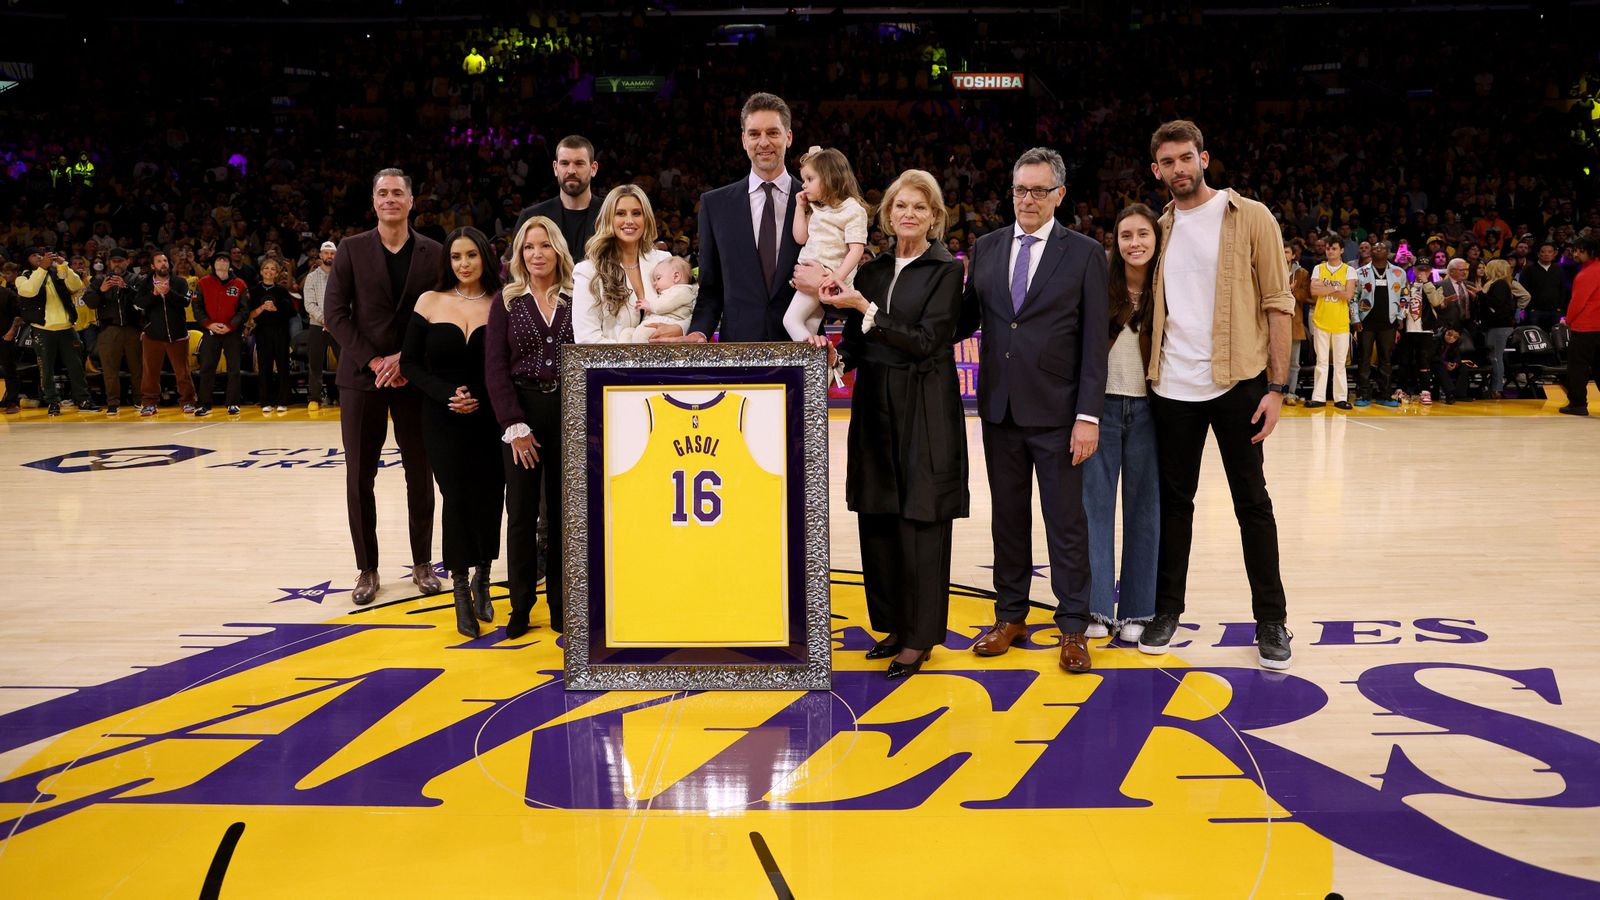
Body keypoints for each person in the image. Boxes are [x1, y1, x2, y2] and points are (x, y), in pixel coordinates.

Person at [1136, 120, 1294, 670]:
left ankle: (1272, 621)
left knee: (1253, 504)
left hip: (1239, 382)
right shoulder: (1158, 226)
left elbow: (1279, 303)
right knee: (1174, 506)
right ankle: (1165, 612)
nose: (1178, 169)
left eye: (1187, 158)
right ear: (1156, 170)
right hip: (1172, 388)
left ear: (1205, 158)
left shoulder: (1250, 216)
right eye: (1167, 162)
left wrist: (1277, 386)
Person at [810, 169, 968, 679]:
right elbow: (856, 345)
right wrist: (831, 358)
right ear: (887, 213)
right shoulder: (874, 270)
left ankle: (920, 638)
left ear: (935, 216)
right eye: (901, 205)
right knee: (878, 515)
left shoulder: (946, 270)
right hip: (875, 400)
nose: (908, 214)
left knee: (920, 518)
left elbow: (927, 340)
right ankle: (895, 625)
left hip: (923, 403)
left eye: (919, 207)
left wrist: (863, 307)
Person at [957, 147, 1108, 675]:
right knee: (1008, 520)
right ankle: (1011, 616)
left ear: (1059, 195)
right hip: (999, 410)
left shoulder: (1087, 253)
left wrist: (1089, 415)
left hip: (1061, 415)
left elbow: (1094, 343)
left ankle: (1072, 626)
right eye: (1020, 189)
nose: (1027, 199)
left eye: (1039, 191)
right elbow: (963, 319)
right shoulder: (989, 246)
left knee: (1067, 523)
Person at [323, 167, 445, 606]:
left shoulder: (435, 251)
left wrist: (407, 361)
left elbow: (442, 313)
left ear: (412, 201)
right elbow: (335, 314)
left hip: (416, 379)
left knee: (420, 474)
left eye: (398, 192)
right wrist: (374, 359)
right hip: (362, 378)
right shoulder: (352, 250)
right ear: (374, 202)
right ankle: (367, 569)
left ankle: (422, 563)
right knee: (360, 477)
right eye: (382, 193)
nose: (390, 198)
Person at [400, 226, 504, 639]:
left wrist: (477, 395)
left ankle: (484, 576)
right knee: (457, 498)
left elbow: (504, 363)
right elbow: (409, 364)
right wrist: (448, 395)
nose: (464, 264)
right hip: (442, 416)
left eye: (471, 256)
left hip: (490, 414)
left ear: (484, 259)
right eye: (456, 257)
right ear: (448, 261)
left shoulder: (502, 303)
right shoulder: (429, 301)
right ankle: (459, 587)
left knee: (490, 497)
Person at [486, 216, 576, 637]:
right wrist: (513, 423)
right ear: (519, 255)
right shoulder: (506, 300)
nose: (536, 254)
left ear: (557, 249)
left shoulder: (578, 298)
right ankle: (520, 605)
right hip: (521, 413)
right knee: (520, 514)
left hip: (569, 411)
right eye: (527, 247)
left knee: (562, 515)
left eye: (543, 245)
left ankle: (561, 605)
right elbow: (495, 367)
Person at [1083, 204, 1161, 643]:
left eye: (1143, 234)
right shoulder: (1099, 285)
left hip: (1152, 410)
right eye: (1126, 235)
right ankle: (1096, 607)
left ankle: (1138, 610)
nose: (1135, 243)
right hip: (1102, 408)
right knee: (1094, 508)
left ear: (1156, 239)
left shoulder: (1168, 287)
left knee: (1145, 511)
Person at [676, 93, 808, 344]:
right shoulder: (715, 205)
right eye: (755, 134)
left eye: (773, 132)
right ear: (743, 140)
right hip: (739, 348)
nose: (764, 142)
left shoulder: (815, 202)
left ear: (788, 137)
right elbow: (710, 288)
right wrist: (698, 332)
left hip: (803, 348)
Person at [782, 146, 868, 341]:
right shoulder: (816, 209)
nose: (804, 185)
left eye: (810, 179)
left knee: (790, 321)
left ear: (830, 177)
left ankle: (815, 361)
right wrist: (800, 208)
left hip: (827, 276)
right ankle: (817, 368)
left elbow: (856, 250)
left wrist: (835, 277)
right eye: (804, 180)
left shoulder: (854, 210)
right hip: (808, 275)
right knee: (809, 327)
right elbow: (800, 238)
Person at [571, 184, 673, 343]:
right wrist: (635, 360)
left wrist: (677, 328)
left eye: (637, 213)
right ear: (608, 219)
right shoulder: (588, 271)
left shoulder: (663, 260)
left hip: (663, 364)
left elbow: (685, 310)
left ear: (646, 218)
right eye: (620, 213)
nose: (629, 221)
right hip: (613, 367)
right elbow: (587, 339)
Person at [16, 249, 97, 415]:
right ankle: (52, 402)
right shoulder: (23, 277)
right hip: (43, 329)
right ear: (27, 260)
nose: (39, 257)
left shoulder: (56, 272)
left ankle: (83, 399)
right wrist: (42, 269)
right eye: (34, 255)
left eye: (41, 254)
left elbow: (76, 285)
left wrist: (64, 265)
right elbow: (29, 291)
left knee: (76, 366)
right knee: (46, 369)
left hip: (67, 327)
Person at [513, 135, 601, 257]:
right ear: (555, 168)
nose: (571, 170)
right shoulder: (530, 216)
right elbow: (516, 271)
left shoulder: (611, 213)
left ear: (593, 168)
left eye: (579, 163)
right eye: (564, 163)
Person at [136, 251, 197, 415]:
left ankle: (188, 401)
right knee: (150, 371)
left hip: (177, 334)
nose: (163, 264)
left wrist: (168, 292)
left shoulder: (179, 282)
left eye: (165, 261)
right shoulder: (146, 283)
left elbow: (185, 302)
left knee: (182, 371)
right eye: (159, 261)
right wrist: (154, 294)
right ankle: (149, 402)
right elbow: (139, 303)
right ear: (152, 266)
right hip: (153, 335)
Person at [83, 248, 143, 415]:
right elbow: (90, 303)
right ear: (109, 262)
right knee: (110, 369)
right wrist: (101, 291)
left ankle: (139, 400)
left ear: (127, 261)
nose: (117, 263)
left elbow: (144, 301)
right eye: (114, 261)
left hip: (133, 329)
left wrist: (126, 288)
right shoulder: (98, 280)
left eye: (120, 260)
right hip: (109, 329)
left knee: (137, 368)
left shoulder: (137, 279)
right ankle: (113, 403)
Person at [192, 254, 248, 416]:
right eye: (219, 260)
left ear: (230, 265)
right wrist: (208, 324)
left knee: (234, 369)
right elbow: (197, 307)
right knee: (207, 368)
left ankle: (233, 403)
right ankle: (204, 404)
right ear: (213, 264)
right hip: (211, 330)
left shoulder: (239, 284)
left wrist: (231, 325)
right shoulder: (203, 283)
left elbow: (244, 310)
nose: (222, 262)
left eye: (225, 260)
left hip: (232, 332)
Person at [1353, 241, 1405, 407]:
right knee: (1364, 359)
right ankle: (1363, 394)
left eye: (1382, 247)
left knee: (1386, 360)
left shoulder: (1399, 272)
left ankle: (1385, 395)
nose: (1378, 249)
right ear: (1371, 252)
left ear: (1389, 252)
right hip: (1366, 322)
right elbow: (1353, 298)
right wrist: (1355, 319)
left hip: (1388, 322)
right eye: (1375, 247)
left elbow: (1405, 296)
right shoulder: (1360, 272)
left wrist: (1401, 317)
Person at [1308, 238, 1356, 410]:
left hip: (1341, 322)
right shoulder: (1318, 268)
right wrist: (1337, 289)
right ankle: (1318, 397)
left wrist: (1326, 288)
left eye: (1334, 248)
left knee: (1340, 363)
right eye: (1328, 248)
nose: (1330, 251)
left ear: (1341, 250)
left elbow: (1348, 295)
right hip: (1321, 320)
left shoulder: (1349, 270)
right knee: (1321, 362)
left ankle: (1340, 398)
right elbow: (1314, 291)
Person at [1557, 233, 1599, 416]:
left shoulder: (1587, 273)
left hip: (1586, 326)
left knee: (1577, 366)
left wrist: (1568, 319)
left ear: (1590, 252)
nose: (1575, 254)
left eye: (1579, 251)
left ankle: (1577, 404)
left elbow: (1578, 301)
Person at [248, 258, 296, 412]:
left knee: (282, 365)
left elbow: (291, 312)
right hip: (262, 331)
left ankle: (283, 400)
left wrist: (276, 309)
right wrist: (262, 308)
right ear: (261, 271)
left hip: (280, 331)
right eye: (266, 268)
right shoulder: (254, 291)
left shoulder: (281, 291)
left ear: (276, 274)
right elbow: (249, 315)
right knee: (264, 366)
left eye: (273, 269)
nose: (269, 271)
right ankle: (265, 401)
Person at [1396, 257, 1442, 403]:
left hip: (1426, 330)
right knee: (1404, 360)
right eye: (1420, 269)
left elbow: (1436, 301)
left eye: (1426, 269)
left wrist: (1427, 283)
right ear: (1414, 270)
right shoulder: (1406, 286)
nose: (1422, 272)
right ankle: (1402, 390)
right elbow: (1400, 305)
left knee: (1424, 360)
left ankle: (1425, 391)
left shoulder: (1436, 287)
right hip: (1408, 329)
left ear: (1430, 271)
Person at [623, 256, 697, 343]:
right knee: (627, 333)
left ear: (676, 277)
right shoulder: (669, 291)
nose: (654, 284)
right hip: (653, 322)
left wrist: (649, 305)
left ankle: (643, 356)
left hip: (668, 323)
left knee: (641, 335)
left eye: (658, 278)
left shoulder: (683, 291)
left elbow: (666, 305)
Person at [302, 240, 339, 409]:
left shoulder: (343, 275)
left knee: (345, 363)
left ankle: (345, 397)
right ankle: (314, 398)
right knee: (315, 363)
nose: (329, 256)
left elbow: (348, 300)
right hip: (317, 325)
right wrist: (325, 319)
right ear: (321, 255)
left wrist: (336, 320)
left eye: (332, 253)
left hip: (339, 325)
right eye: (326, 253)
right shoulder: (311, 277)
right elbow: (309, 304)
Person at [1478, 258, 1518, 399]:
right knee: (1494, 356)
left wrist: (1480, 295)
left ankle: (1496, 389)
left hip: (1499, 326)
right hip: (1497, 326)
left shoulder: (1500, 284)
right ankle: (1494, 387)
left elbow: (1497, 304)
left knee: (1496, 357)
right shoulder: (1497, 284)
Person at [1519, 240, 1568, 332]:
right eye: (1543, 252)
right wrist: (1530, 308)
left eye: (1550, 252)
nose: (1546, 254)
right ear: (1538, 254)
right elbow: (1523, 290)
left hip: (1555, 311)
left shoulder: (1558, 269)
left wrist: (1560, 308)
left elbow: (1562, 289)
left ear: (1554, 254)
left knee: (1556, 339)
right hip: (1534, 311)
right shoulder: (1528, 269)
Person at [1285, 240, 1312, 405]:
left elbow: (1308, 297)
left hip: (1295, 321)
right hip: (1273, 321)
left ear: (1293, 255)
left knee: (1293, 362)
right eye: (1281, 251)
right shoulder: (1272, 270)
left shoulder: (1302, 273)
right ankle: (1274, 391)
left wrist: (1293, 291)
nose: (1284, 255)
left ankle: (1291, 393)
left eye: (1287, 252)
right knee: (1272, 361)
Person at [1, 271, 20, 414]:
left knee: (9, 370)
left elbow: (19, 315)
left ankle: (13, 402)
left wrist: (11, 332)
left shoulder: (8, 294)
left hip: (5, 337)